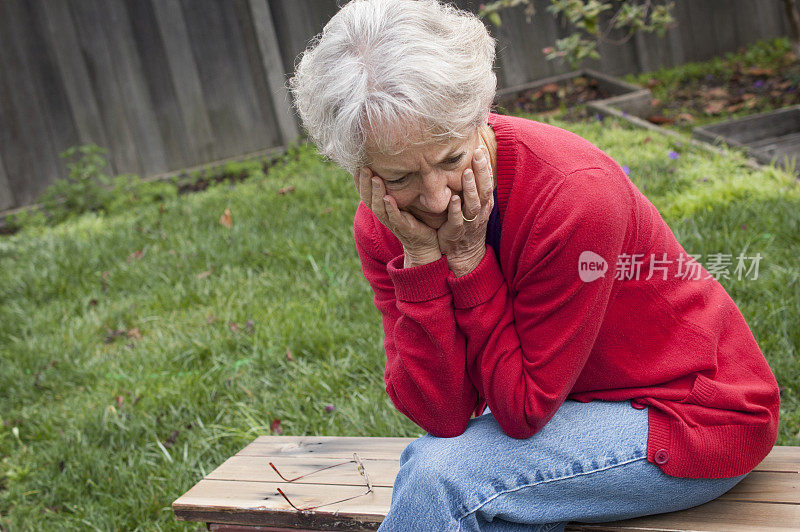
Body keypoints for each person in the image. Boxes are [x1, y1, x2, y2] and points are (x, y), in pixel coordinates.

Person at [288, 1, 781, 530]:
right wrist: (422, 265)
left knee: (442, 478)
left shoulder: (574, 199)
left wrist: (468, 259)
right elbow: (441, 414)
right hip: (573, 410)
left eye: (451, 160)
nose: (432, 199)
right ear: (359, 168)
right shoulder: (386, 222)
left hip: (689, 416)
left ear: (480, 115)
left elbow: (522, 409)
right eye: (400, 175)